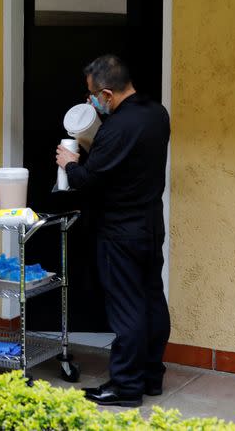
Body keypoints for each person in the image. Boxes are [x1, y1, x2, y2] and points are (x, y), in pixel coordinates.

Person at [55, 54, 170, 408]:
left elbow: (90, 180)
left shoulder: (117, 128)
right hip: (150, 224)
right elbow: (124, 164)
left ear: (106, 93)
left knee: (127, 308)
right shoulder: (156, 113)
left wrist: (70, 164)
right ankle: (151, 375)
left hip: (120, 230)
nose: (91, 101)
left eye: (92, 95)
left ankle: (126, 386)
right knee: (152, 299)